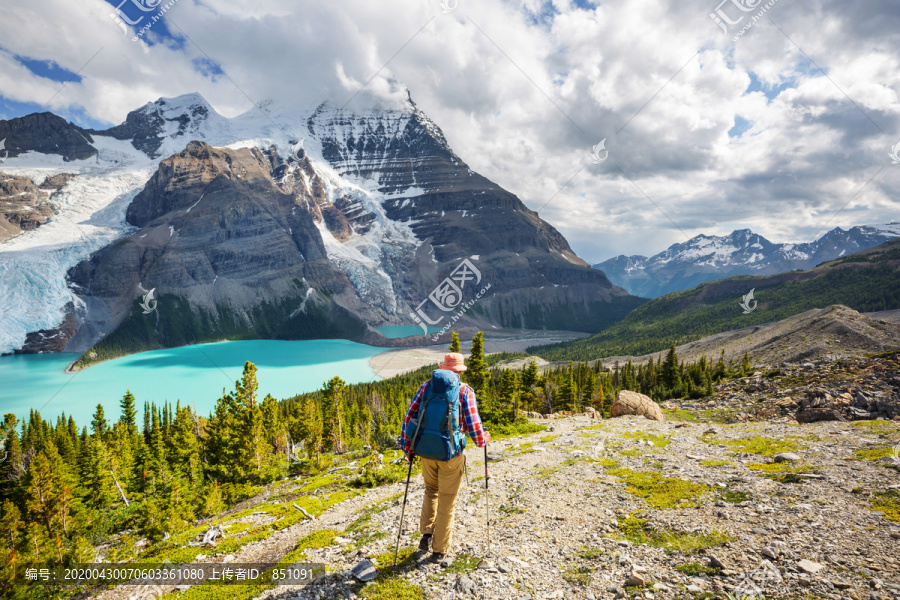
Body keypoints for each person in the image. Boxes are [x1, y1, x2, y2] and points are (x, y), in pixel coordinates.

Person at [400, 352, 490, 561]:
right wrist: (483, 439)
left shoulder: (426, 387)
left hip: (425, 450)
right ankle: (439, 550)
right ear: (459, 371)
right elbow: (475, 426)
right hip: (450, 454)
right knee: (447, 500)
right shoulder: (464, 391)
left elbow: (409, 417)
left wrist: (408, 448)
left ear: (443, 368)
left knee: (431, 490)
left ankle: (425, 535)